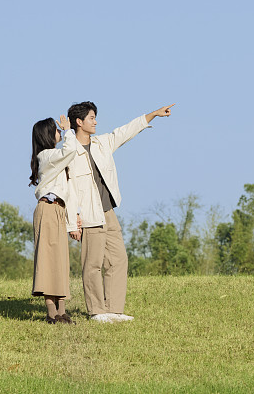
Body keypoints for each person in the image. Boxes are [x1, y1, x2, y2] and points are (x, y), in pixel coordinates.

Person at [66, 101, 174, 323]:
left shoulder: (102, 143)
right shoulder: (69, 152)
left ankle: (114, 310)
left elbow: (125, 131)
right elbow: (68, 189)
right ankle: (97, 311)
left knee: (118, 259)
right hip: (88, 215)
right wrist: (73, 218)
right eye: (91, 118)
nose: (95, 122)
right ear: (79, 122)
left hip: (108, 212)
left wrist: (152, 115)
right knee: (93, 264)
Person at [28, 114, 80, 324]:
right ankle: (52, 312)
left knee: (59, 260)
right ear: (48, 134)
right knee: (49, 261)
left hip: (57, 210)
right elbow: (71, 150)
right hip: (48, 209)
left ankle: (61, 311)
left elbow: (69, 193)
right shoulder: (47, 155)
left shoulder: (53, 156)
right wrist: (69, 130)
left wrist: (72, 221)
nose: (59, 132)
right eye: (56, 130)